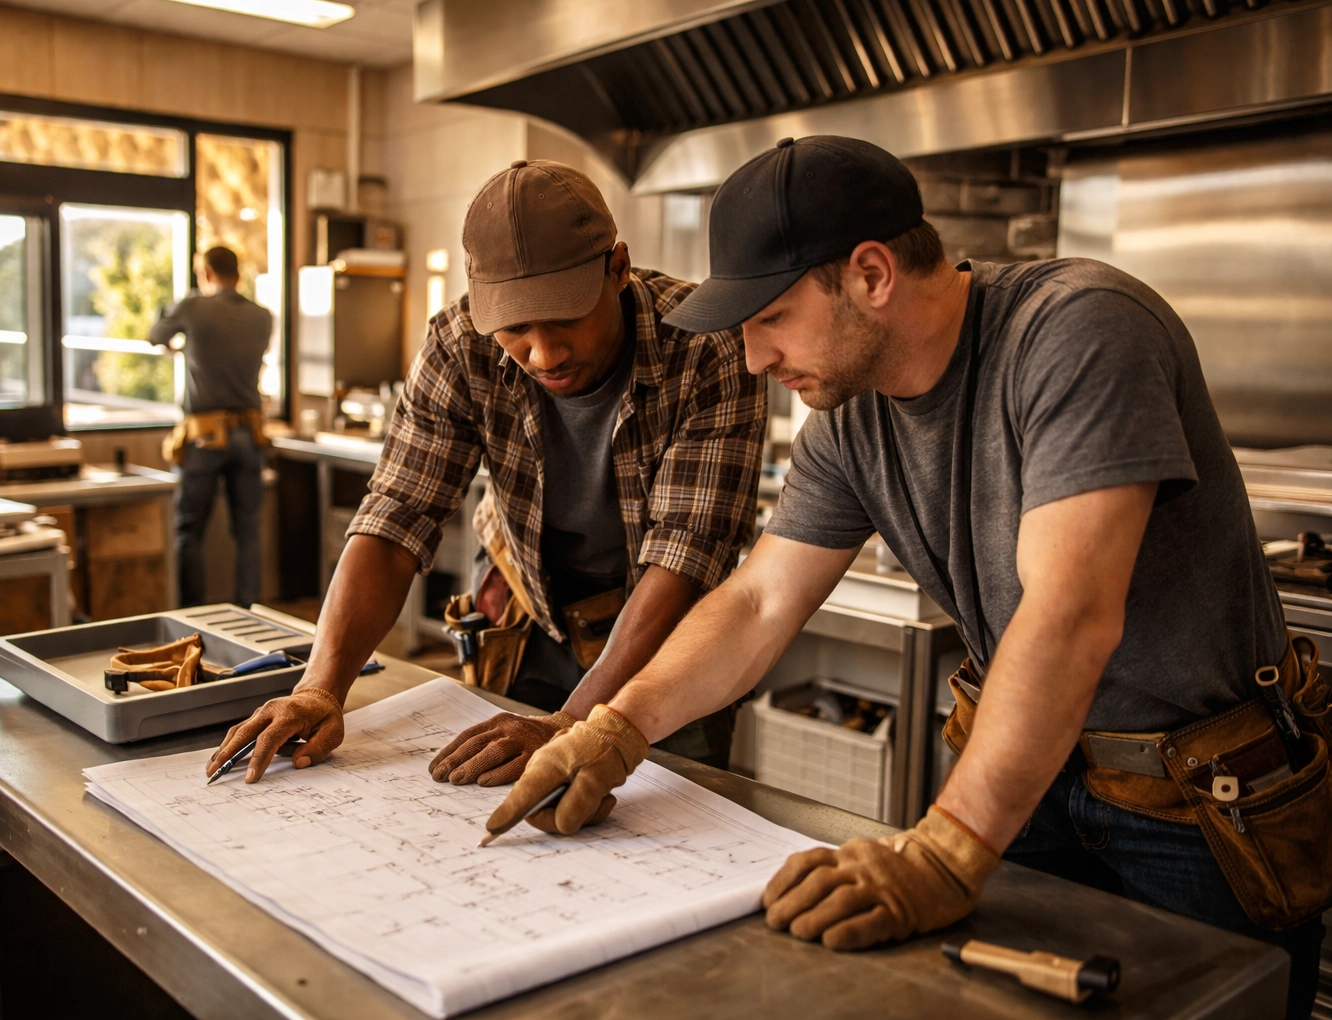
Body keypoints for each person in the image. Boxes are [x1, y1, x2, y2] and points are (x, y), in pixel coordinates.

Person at [488, 136, 1331, 1019]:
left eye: (769, 318)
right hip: (1032, 782)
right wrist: (616, 727)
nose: (752, 361)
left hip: (1202, 805)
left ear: (871, 275)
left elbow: (1070, 613)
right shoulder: (851, 423)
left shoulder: (1081, 330)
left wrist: (945, 852)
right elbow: (758, 599)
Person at [206, 159, 766, 788]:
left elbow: (685, 558)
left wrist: (577, 723)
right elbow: (397, 516)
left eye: (566, 318)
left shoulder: (705, 346)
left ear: (618, 268)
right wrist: (320, 687)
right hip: (528, 621)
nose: (544, 354)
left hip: (665, 646)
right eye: (516, 328)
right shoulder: (459, 343)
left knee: (667, 828)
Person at [149, 245, 273, 607]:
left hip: (204, 436)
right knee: (248, 532)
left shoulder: (193, 307)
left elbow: (155, 335)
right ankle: (249, 611)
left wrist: (179, 326)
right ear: (238, 273)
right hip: (250, 433)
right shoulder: (263, 316)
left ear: (205, 273)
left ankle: (193, 617)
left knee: (189, 531)